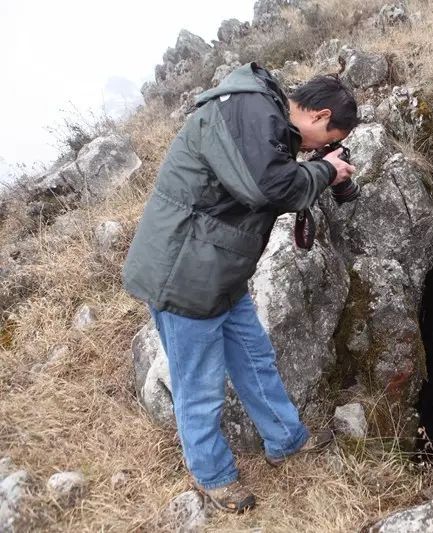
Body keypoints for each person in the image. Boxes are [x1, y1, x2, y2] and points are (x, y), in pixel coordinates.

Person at [122, 62, 358, 513]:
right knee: (200, 385)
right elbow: (263, 186)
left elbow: (263, 181)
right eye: (326, 142)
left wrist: (313, 170)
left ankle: (286, 439)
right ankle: (214, 476)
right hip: (185, 272)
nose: (318, 150)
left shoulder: (265, 120)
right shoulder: (249, 110)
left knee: (254, 357)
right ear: (321, 116)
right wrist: (325, 173)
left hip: (217, 271)